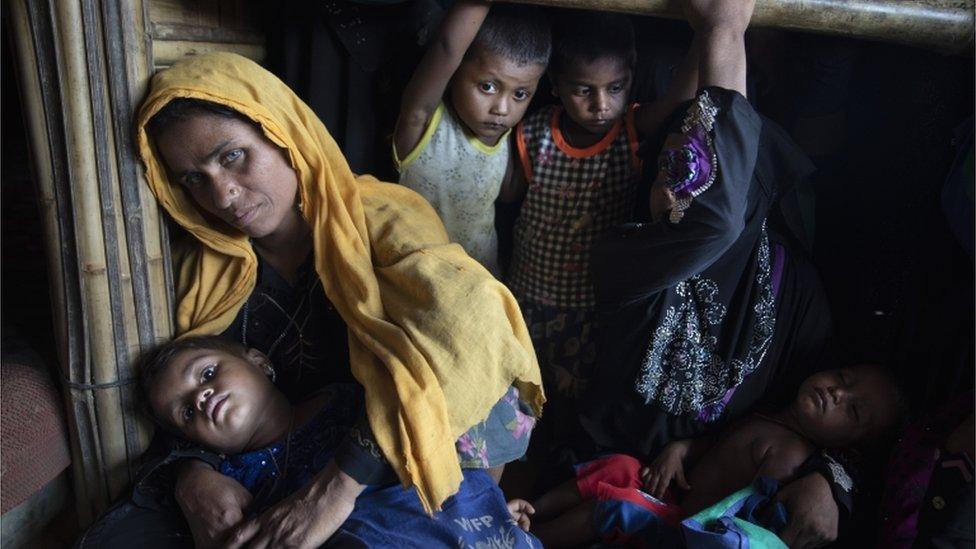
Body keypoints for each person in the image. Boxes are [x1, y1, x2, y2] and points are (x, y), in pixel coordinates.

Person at [78, 52, 545, 549]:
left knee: (477, 325)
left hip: (385, 451)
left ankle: (470, 512)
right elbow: (180, 389)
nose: (223, 194)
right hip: (281, 465)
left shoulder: (382, 220)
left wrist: (333, 493)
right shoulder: (207, 270)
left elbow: (470, 327)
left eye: (231, 156)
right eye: (194, 178)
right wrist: (191, 473)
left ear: (284, 135)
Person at [576, 0, 859, 546]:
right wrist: (722, 29)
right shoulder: (624, 256)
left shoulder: (796, 290)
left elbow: (858, 416)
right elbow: (710, 220)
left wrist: (832, 480)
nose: (676, 175)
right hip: (596, 477)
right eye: (669, 163)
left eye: (694, 167)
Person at [498, 9, 710, 465]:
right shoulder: (531, 132)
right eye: (584, 90)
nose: (601, 105)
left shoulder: (631, 131)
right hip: (525, 300)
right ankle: (508, 475)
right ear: (556, 84)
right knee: (514, 404)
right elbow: (505, 196)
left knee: (572, 408)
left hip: (590, 308)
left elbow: (679, 99)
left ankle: (553, 475)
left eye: (615, 88)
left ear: (631, 79)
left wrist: (709, 34)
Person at [139, 334, 542, 547]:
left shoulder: (346, 391)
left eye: (207, 374)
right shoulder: (229, 487)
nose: (201, 397)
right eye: (187, 412)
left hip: (453, 512)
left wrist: (481, 506)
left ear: (259, 361)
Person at [512, 364, 905, 546]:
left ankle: (524, 543)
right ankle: (530, 510)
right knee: (621, 466)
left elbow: (742, 516)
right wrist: (680, 450)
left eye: (852, 410)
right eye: (844, 378)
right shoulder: (772, 413)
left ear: (847, 446)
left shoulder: (791, 454)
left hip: (684, 528)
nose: (837, 392)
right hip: (673, 498)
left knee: (619, 504)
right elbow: (717, 445)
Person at [394, 0, 550, 276]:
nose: (502, 109)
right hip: (417, 278)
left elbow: (509, 192)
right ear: (453, 74)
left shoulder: (505, 137)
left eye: (520, 94)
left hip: (481, 280)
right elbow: (447, 47)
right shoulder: (422, 122)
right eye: (487, 87)